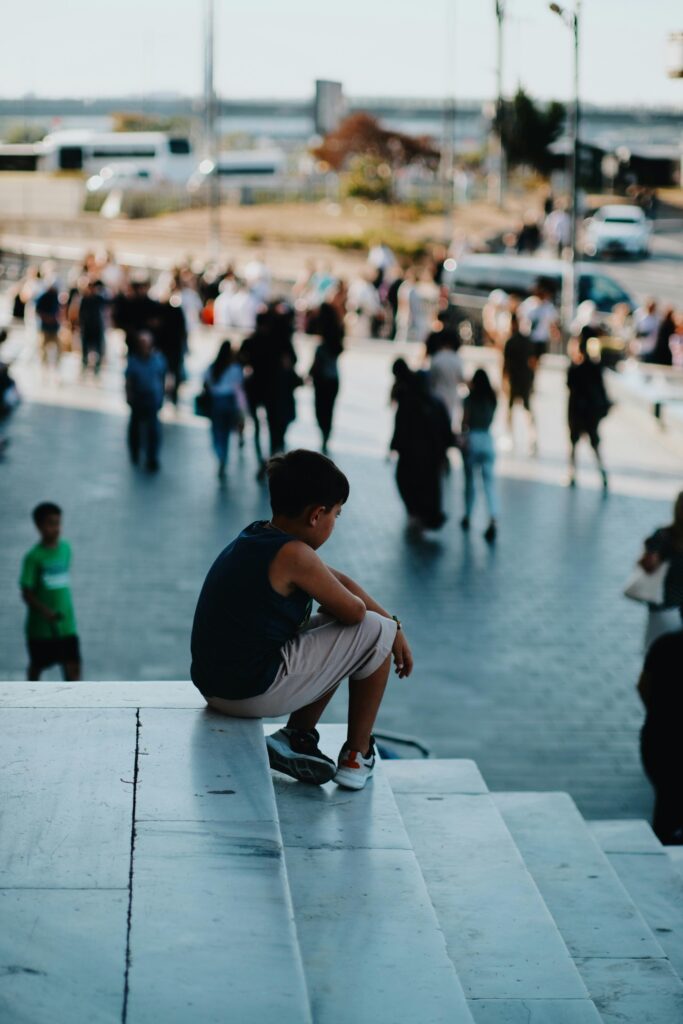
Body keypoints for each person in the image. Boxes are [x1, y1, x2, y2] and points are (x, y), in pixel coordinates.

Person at [190, 450, 414, 790]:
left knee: (349, 626)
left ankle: (298, 736)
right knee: (372, 629)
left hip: (216, 688)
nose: (335, 523)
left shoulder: (258, 536)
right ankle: (357, 755)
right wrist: (390, 628)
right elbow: (355, 612)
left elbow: (344, 585)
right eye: (337, 515)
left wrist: (395, 624)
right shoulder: (296, 555)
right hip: (249, 693)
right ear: (316, 515)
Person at [19, 502, 81, 681]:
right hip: (41, 630)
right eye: (51, 524)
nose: (56, 529)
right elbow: (26, 592)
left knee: (73, 670)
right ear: (38, 526)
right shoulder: (33, 557)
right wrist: (46, 612)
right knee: (37, 668)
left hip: (67, 625)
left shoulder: (66, 549)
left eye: (58, 523)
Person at [390, 359, 452, 531]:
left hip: (410, 455)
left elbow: (400, 426)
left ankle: (416, 512)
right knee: (429, 487)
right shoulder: (437, 403)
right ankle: (426, 515)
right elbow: (446, 431)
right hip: (432, 455)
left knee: (406, 481)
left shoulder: (409, 402)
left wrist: (394, 446)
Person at [638, 627, 683, 844]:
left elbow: (642, 686)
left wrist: (659, 712)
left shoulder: (664, 644)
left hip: (660, 736)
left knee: (666, 803)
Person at [639, 492, 683, 648]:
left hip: (664, 611)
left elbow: (648, 565)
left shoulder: (664, 536)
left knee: (657, 662)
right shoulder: (664, 537)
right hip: (671, 612)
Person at [460, 369, 499, 543]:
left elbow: (464, 422)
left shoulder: (469, 399)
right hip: (488, 439)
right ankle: (492, 516)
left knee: (470, 482)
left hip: (473, 439)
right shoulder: (492, 399)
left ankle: (468, 515)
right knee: (489, 484)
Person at [567, 335, 610, 490]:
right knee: (595, 444)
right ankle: (603, 472)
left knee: (573, 444)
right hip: (590, 414)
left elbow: (569, 386)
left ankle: (572, 473)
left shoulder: (574, 368)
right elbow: (602, 390)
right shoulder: (595, 367)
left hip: (577, 412)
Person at [125, 330, 167, 472]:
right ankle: (135, 452)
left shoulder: (158, 360)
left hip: (152, 398)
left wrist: (162, 396)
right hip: (138, 397)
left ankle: (152, 457)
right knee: (135, 427)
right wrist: (129, 396)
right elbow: (129, 380)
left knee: (153, 429)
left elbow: (162, 378)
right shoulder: (133, 361)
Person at [204, 340, 247, 479]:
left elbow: (206, 383)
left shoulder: (213, 367)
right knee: (227, 433)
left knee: (217, 431)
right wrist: (242, 408)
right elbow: (239, 389)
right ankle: (223, 457)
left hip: (217, 402)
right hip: (230, 402)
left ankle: (220, 454)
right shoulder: (235, 369)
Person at [308, 302, 344, 455]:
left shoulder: (322, 346)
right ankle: (326, 436)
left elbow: (316, 365)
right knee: (328, 410)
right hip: (333, 380)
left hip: (322, 381)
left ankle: (324, 435)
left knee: (320, 410)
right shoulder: (335, 341)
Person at [503, 313, 538, 454]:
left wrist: (504, 382)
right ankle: (532, 438)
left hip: (514, 379)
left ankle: (511, 437)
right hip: (525, 379)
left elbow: (505, 365)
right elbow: (533, 362)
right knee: (527, 409)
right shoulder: (527, 341)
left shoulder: (510, 342)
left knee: (510, 409)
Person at [427, 325, 466, 430]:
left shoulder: (436, 358)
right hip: (452, 394)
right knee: (448, 421)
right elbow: (461, 379)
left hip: (438, 393)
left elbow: (431, 379)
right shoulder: (457, 359)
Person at [518, 279, 561, 358]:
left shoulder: (548, 307)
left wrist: (555, 333)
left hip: (540, 339)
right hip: (527, 338)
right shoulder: (528, 304)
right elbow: (520, 318)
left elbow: (552, 323)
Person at [78, 279, 108, 375]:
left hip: (96, 326)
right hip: (86, 327)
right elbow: (80, 313)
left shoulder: (99, 298)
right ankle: (85, 363)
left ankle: (97, 367)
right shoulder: (84, 299)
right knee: (85, 347)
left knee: (97, 348)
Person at [35, 283, 62, 365]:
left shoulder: (56, 297)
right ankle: (43, 365)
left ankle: (56, 365)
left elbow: (59, 310)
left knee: (58, 348)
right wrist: (47, 318)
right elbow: (38, 310)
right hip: (45, 327)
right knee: (43, 348)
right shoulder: (43, 297)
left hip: (55, 327)